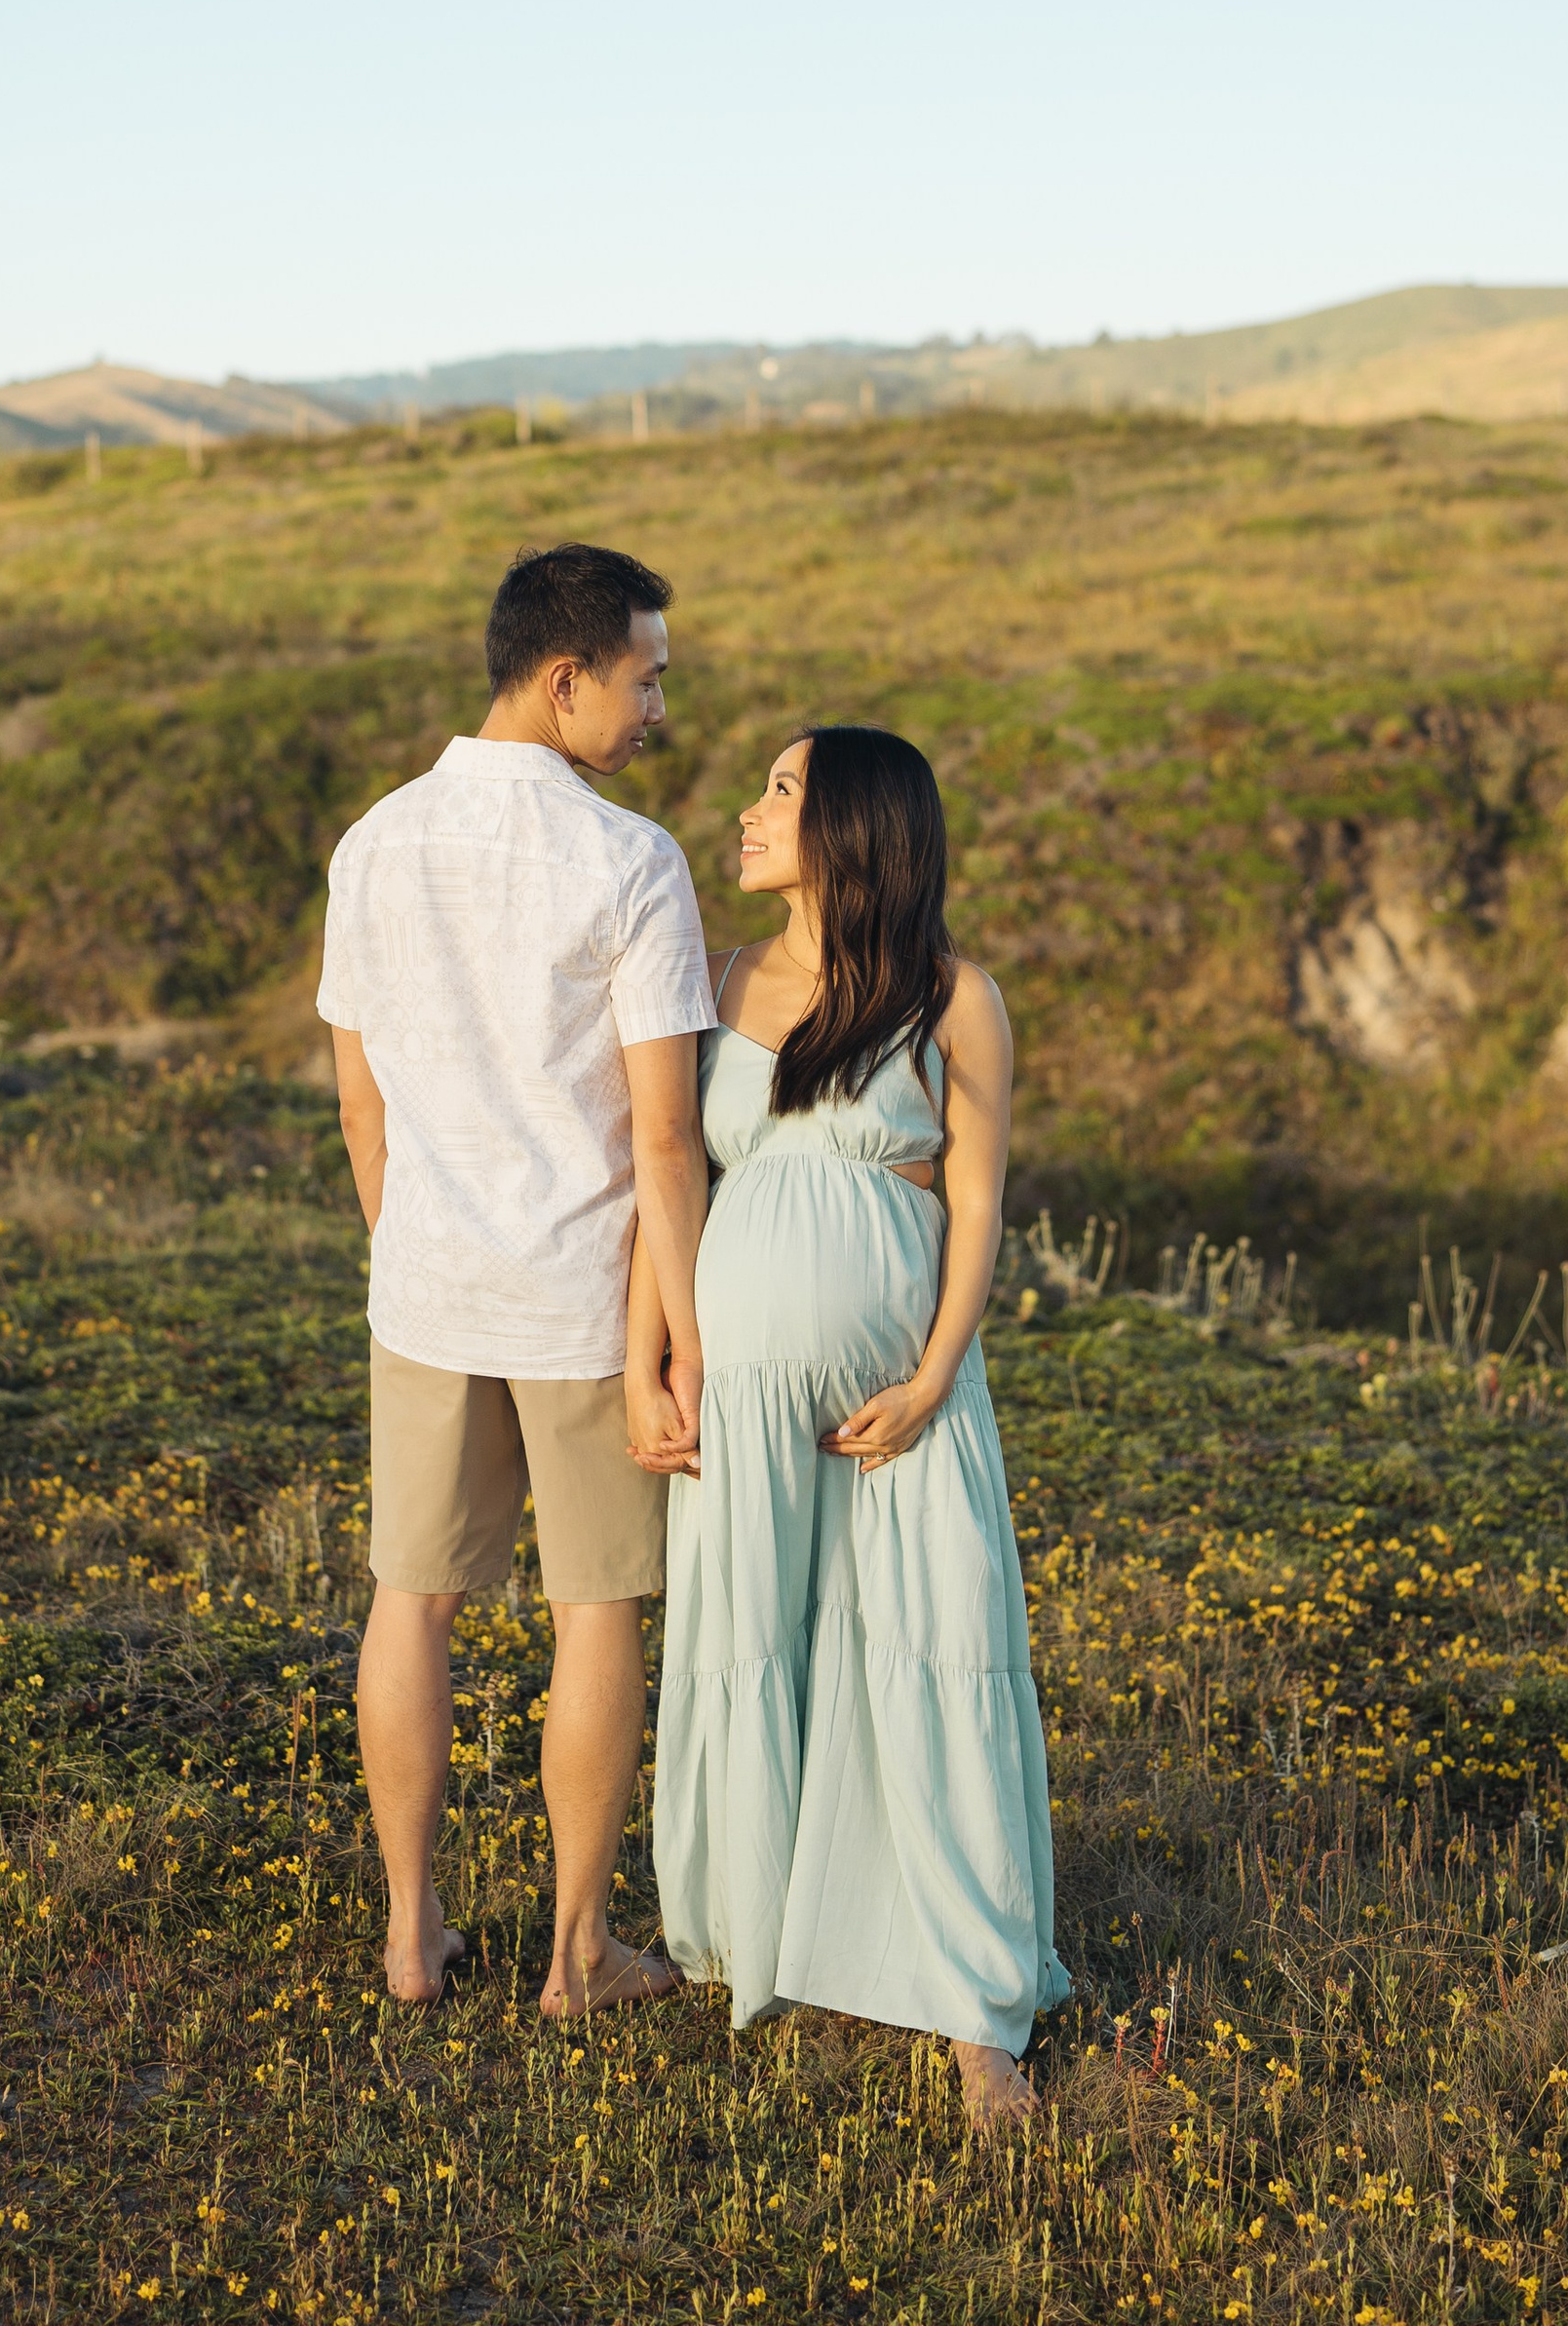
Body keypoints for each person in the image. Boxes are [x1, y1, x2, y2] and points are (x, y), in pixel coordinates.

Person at [631, 725, 1069, 2127]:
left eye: (778, 791)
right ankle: (767, 1931)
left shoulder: (955, 999)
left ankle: (970, 2002)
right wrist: (651, 1355)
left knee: (927, 1647)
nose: (746, 812)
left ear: (854, 828)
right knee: (759, 1637)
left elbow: (981, 1203)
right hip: (738, 1383)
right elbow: (672, 1178)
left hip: (903, 1394)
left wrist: (939, 1369)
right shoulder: (714, 980)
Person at [318, 541, 716, 2013]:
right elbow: (666, 1137)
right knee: (594, 1610)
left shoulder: (373, 842)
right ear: (566, 680)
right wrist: (676, 1336)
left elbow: (361, 1109)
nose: (659, 708)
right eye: (645, 678)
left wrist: (416, 1248)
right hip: (582, 1300)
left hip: (425, 1285)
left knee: (409, 1601)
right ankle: (575, 1955)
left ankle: (412, 1933)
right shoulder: (629, 861)